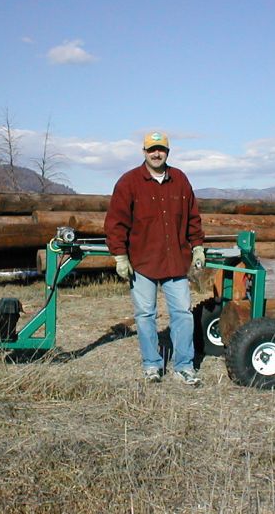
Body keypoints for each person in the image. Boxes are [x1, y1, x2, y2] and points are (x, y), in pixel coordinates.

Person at [105, 131, 206, 385]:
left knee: (183, 314)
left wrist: (198, 247)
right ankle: (152, 364)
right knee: (145, 315)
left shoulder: (180, 180)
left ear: (167, 152)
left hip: (175, 263)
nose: (156, 153)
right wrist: (120, 256)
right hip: (142, 264)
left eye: (161, 149)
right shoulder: (129, 183)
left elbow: (193, 218)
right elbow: (115, 223)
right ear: (144, 152)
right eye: (152, 149)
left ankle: (184, 365)